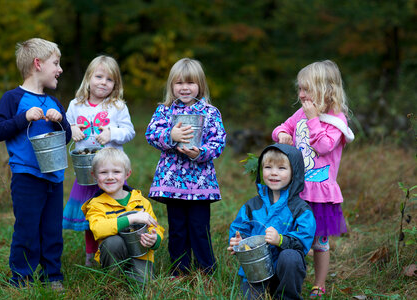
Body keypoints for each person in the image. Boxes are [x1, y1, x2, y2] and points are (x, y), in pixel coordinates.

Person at [0, 38, 71, 290]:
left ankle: (52, 275)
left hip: (54, 176)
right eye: (55, 63)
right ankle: (22, 277)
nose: (59, 69)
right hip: (26, 176)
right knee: (27, 227)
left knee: (52, 229)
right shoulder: (13, 98)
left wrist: (61, 122)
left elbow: (66, 136)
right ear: (38, 64)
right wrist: (23, 117)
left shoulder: (54, 102)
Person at [272, 60, 355, 298]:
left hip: (320, 193)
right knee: (289, 234)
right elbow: (279, 128)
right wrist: (283, 134)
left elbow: (324, 146)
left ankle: (319, 283)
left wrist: (312, 120)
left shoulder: (337, 119)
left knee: (319, 241)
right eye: (299, 88)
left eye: (306, 89)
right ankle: (288, 275)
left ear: (326, 89)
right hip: (296, 189)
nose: (301, 94)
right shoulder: (300, 113)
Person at [145, 58, 226, 276]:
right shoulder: (164, 111)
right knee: (178, 228)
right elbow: (151, 135)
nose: (185, 87)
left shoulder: (210, 112)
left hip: (200, 182)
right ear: (172, 86)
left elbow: (218, 142)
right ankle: (179, 270)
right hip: (172, 181)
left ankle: (206, 269)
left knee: (200, 228)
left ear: (200, 85)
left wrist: (201, 153)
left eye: (190, 83)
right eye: (179, 83)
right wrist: (170, 135)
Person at [62, 55, 135, 266]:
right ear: (88, 79)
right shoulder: (76, 105)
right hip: (87, 173)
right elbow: (64, 128)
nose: (103, 82)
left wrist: (112, 133)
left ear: (116, 85)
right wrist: (72, 128)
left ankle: (117, 253)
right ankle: (91, 257)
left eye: (109, 79)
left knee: (113, 213)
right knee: (91, 218)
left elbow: (129, 132)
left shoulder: (117, 106)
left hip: (111, 171)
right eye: (99, 76)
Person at [228, 144, 316, 300]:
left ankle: (287, 295)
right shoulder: (252, 205)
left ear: (294, 172)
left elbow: (303, 241)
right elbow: (239, 228)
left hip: (284, 271)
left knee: (290, 256)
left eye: (282, 168)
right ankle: (259, 289)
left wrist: (280, 239)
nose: (274, 173)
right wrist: (239, 241)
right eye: (268, 167)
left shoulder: (300, 209)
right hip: (256, 271)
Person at [81, 148, 164, 282]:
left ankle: (134, 274)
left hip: (140, 254)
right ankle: (113, 279)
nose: (110, 177)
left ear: (127, 174)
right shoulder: (96, 204)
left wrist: (155, 239)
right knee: (113, 241)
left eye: (116, 172)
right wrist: (131, 218)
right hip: (114, 253)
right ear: (94, 175)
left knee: (143, 285)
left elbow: (155, 227)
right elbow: (98, 229)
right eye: (103, 172)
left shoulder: (140, 201)